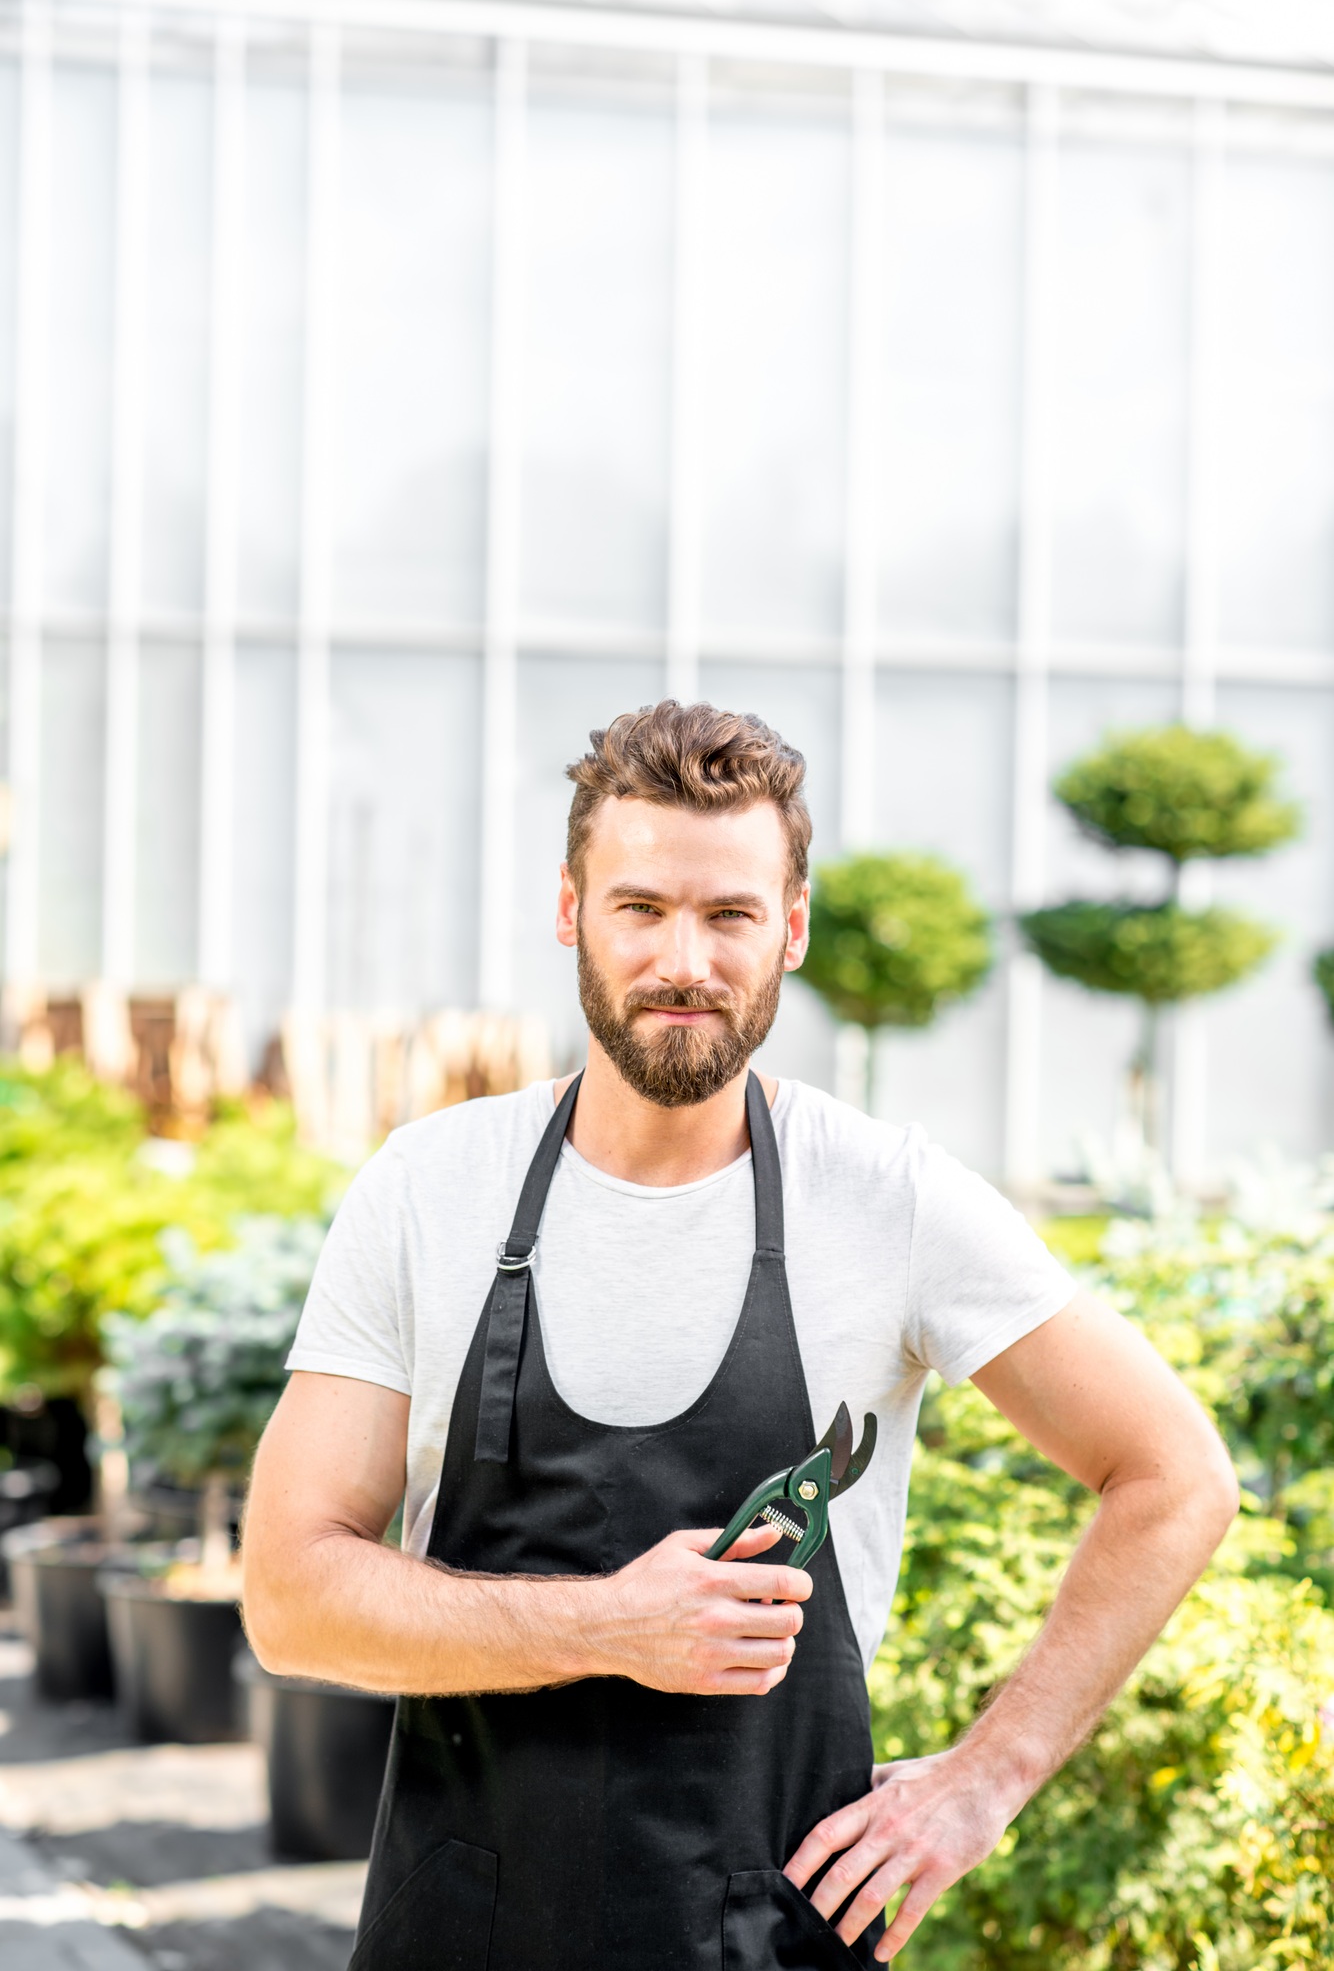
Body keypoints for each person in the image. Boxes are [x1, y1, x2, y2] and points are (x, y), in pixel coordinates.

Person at [243, 700, 1238, 1970]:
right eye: (640, 907)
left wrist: (986, 1779)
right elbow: (287, 1595)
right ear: (570, 911)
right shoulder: (431, 1185)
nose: (684, 961)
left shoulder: (886, 1197)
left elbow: (1174, 1474)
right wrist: (611, 1622)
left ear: (792, 928)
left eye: (729, 915)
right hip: (461, 1930)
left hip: (767, 1937)